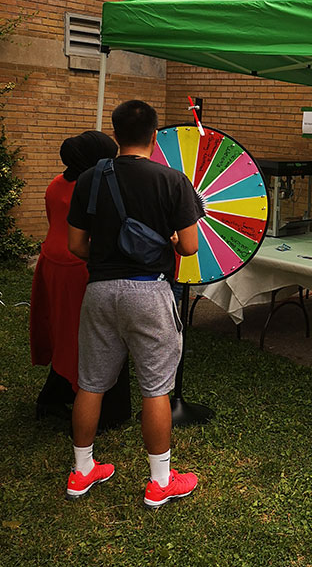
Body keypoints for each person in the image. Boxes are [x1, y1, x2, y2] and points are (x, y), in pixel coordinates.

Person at [65, 100, 205, 507]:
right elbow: (191, 247)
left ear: (114, 135)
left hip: (99, 291)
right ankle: (160, 482)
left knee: (91, 382)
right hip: (149, 291)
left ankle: (82, 470)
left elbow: (76, 245)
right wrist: (173, 241)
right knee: (156, 387)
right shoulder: (172, 180)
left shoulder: (90, 178)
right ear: (155, 136)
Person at [29, 130, 131, 428]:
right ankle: (99, 407)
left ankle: (54, 395)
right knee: (95, 336)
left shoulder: (55, 185)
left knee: (65, 332)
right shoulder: (92, 189)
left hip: (52, 263)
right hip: (80, 267)